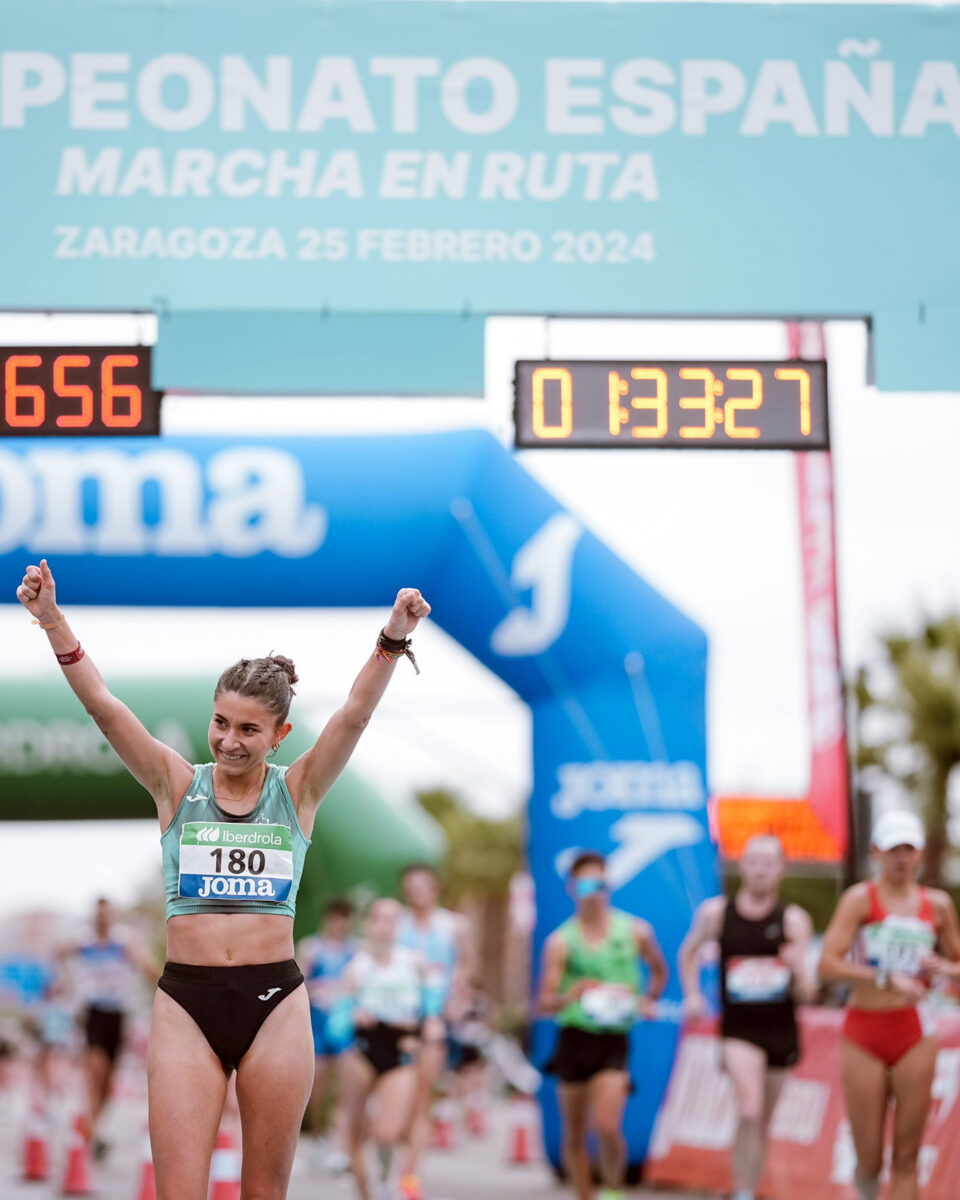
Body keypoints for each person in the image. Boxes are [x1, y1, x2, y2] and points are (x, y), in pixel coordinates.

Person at [16, 557, 430, 1200]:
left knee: (264, 1193)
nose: (228, 741)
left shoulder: (300, 791)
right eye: (220, 722)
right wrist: (51, 620)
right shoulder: (176, 784)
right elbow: (103, 708)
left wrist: (394, 636)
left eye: (247, 729)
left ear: (280, 733)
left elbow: (352, 715)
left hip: (275, 1004)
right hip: (187, 1001)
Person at [819, 810, 960, 1200]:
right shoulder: (859, 900)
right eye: (893, 849)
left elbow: (958, 966)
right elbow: (827, 965)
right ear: (875, 852)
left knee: (907, 1156)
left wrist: (941, 966)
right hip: (864, 1031)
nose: (901, 858)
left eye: (909, 850)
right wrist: (882, 977)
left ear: (919, 854)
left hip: (915, 1030)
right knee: (869, 1160)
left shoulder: (939, 905)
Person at [679, 833, 816, 1200]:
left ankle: (749, 1186)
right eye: (753, 861)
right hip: (738, 1030)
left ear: (781, 870)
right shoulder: (716, 913)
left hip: (780, 1030)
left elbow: (808, 993)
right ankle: (742, 1192)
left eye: (769, 863)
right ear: (742, 866)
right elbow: (687, 952)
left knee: (763, 1121)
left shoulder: (793, 920)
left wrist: (798, 969)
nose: (760, 871)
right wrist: (692, 995)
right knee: (750, 1110)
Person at [539, 850, 668, 1200]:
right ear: (572, 888)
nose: (594, 891)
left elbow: (659, 968)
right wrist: (572, 994)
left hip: (613, 1040)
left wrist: (649, 1000)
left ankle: (613, 1190)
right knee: (575, 1136)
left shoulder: (636, 931)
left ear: (609, 885)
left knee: (608, 1126)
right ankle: (585, 1194)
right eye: (586, 884)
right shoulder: (561, 942)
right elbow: (545, 1001)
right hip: (574, 1039)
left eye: (600, 883)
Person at [335, 898, 437, 1200]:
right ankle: (367, 1191)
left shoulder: (413, 962)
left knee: (387, 1132)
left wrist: (428, 1025)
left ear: (399, 926)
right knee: (353, 1130)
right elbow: (337, 1023)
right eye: (378, 919)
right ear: (369, 925)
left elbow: (430, 1005)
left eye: (392, 919)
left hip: (399, 1046)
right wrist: (351, 1014)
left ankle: (384, 1177)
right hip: (363, 1046)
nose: (384, 926)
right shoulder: (356, 967)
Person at [396, 863, 474, 1200]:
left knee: (420, 1099)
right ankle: (386, 1165)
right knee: (395, 1101)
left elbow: (467, 967)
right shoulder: (396, 925)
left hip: (434, 1021)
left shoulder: (454, 926)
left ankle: (410, 1175)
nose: (417, 892)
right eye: (411, 887)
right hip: (395, 1020)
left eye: (423, 886)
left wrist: (457, 1001)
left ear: (436, 888)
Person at [67, 898, 160, 1156]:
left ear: (113, 917)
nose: (102, 920)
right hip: (93, 1013)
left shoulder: (123, 941)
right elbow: (57, 951)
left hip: (118, 1015)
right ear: (93, 917)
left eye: (107, 915)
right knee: (95, 1073)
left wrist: (145, 966)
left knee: (108, 1081)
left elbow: (149, 967)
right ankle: (90, 1130)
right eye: (98, 916)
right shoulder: (84, 941)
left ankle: (92, 1128)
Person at [296, 897, 357, 1171]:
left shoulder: (356, 951)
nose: (339, 924)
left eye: (345, 919)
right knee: (318, 1089)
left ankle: (339, 1147)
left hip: (344, 1029)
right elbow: (296, 984)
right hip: (317, 1027)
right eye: (336, 918)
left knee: (345, 1090)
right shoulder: (311, 948)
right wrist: (315, 991)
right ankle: (320, 1136)